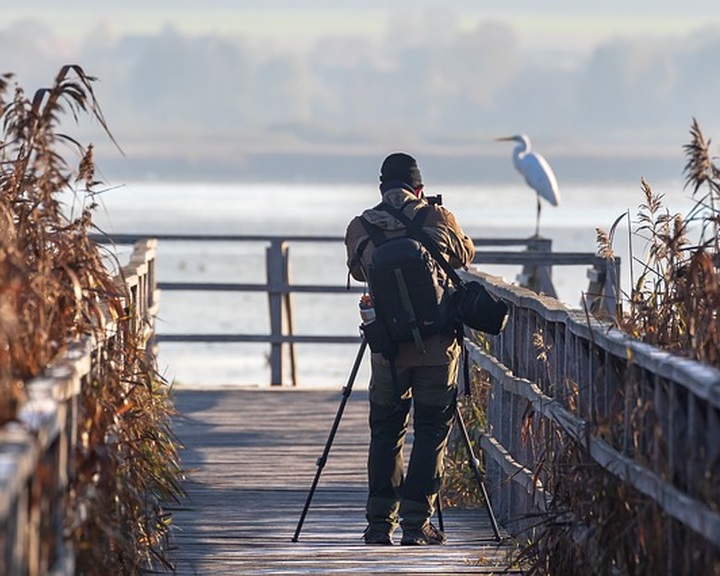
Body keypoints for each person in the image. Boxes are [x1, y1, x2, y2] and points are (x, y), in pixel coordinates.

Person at [344, 152, 476, 546]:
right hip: (437, 346)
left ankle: (378, 524)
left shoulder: (361, 226)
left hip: (387, 347)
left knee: (386, 429)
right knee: (432, 428)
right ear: (419, 188)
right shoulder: (438, 219)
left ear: (382, 189)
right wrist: (438, 217)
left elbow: (357, 271)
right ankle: (416, 524)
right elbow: (465, 254)